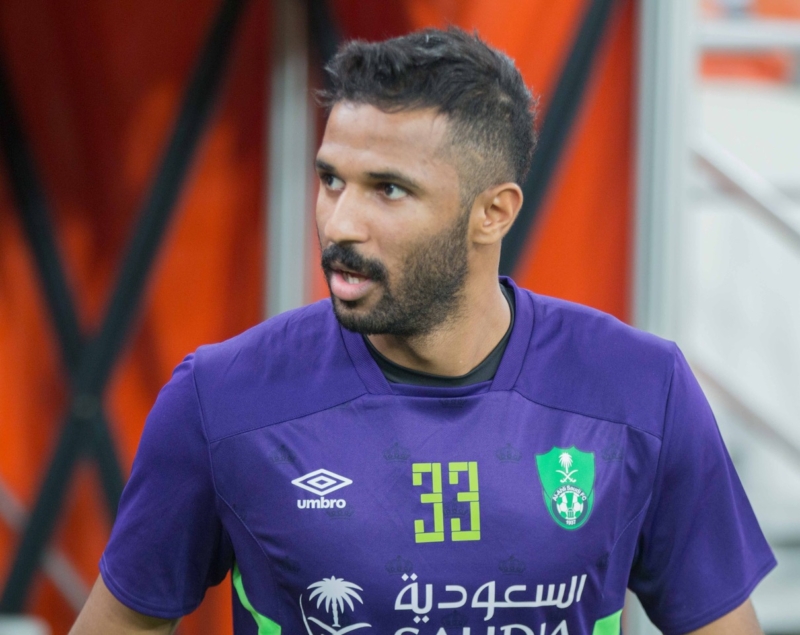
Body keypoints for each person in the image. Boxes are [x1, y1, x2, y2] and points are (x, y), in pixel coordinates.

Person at [71, 27, 775, 635]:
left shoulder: (640, 390)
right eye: (331, 180)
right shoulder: (220, 399)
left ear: (493, 213)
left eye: (389, 189)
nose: (340, 223)